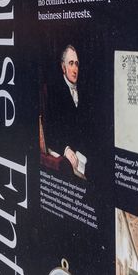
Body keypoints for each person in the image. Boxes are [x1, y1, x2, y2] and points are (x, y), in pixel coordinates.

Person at [45, 44, 87, 176]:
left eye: (76, 64)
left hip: (83, 155)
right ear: (63, 67)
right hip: (67, 156)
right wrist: (65, 149)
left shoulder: (83, 90)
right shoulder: (54, 90)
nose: (75, 69)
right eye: (71, 63)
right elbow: (50, 130)